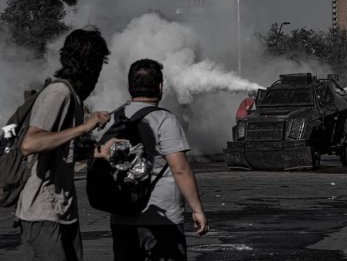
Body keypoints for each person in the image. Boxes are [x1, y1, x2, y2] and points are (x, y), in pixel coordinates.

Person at [94, 59, 209, 260]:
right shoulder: (165, 120)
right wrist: (197, 210)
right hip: (162, 220)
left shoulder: (113, 119)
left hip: (122, 217)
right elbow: (180, 169)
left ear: (130, 86)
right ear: (160, 87)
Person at [17, 27, 111, 261]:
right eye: (98, 66)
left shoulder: (72, 96)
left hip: (61, 211)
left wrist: (99, 151)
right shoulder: (59, 93)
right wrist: (84, 127)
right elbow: (30, 143)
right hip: (43, 213)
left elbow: (62, 150)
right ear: (89, 65)